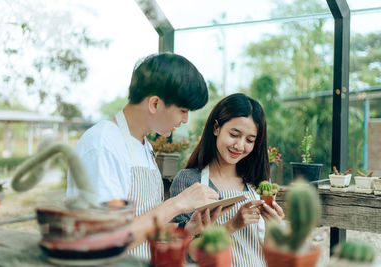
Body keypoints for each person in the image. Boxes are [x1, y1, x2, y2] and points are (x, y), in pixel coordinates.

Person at [67, 53, 225, 259]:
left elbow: (146, 227)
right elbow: (104, 238)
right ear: (155, 104)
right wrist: (178, 202)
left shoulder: (144, 147)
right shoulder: (103, 144)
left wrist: (187, 228)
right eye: (183, 110)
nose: (185, 119)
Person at [170, 93, 285, 267]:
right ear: (216, 128)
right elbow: (183, 253)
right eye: (234, 134)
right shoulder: (188, 180)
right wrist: (232, 225)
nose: (240, 146)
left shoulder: (257, 184)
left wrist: (274, 228)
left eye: (249, 140)